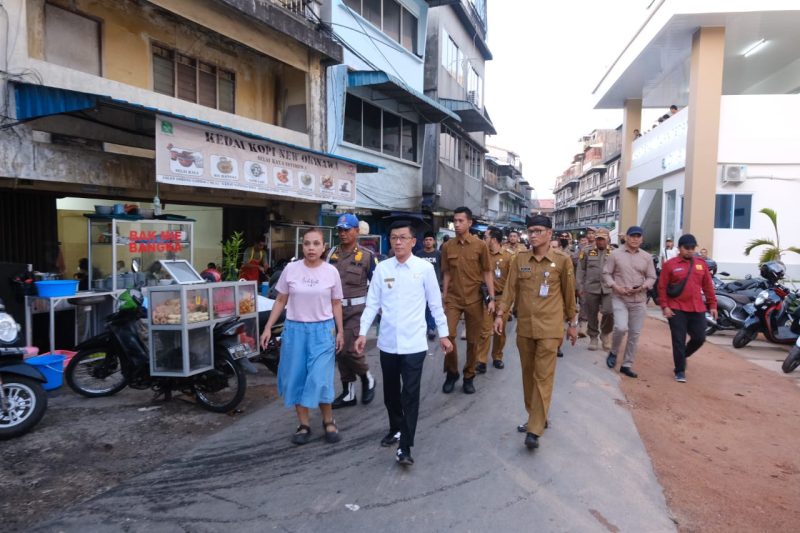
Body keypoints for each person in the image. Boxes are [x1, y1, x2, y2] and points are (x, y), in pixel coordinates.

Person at [355, 221, 453, 466]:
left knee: (410, 394)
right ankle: (396, 427)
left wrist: (444, 334)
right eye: (394, 237)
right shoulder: (382, 269)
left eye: (403, 238)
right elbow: (372, 304)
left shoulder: (423, 269)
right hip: (388, 343)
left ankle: (405, 446)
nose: (398, 242)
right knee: (391, 395)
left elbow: (435, 304)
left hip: (414, 344)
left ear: (413, 242)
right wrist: (361, 333)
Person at [494, 214, 577, 450]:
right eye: (530, 231)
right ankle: (536, 415)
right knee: (528, 376)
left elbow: (569, 294)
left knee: (543, 376)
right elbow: (510, 290)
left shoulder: (562, 260)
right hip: (525, 328)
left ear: (550, 234)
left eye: (539, 231)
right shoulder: (520, 259)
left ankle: (534, 429)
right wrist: (500, 314)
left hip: (550, 329)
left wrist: (572, 323)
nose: (533, 235)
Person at [259, 227, 344, 445]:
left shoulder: (331, 272)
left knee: (320, 378)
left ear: (323, 246)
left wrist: (340, 331)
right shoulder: (291, 269)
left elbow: (336, 303)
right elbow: (280, 300)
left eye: (316, 243)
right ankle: (303, 424)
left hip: (323, 331)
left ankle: (328, 420)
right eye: (307, 243)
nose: (311, 248)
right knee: (296, 377)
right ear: (302, 246)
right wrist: (268, 327)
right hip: (295, 330)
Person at [441, 206, 494, 394]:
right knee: (448, 336)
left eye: (460, 221)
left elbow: (487, 272)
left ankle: (469, 375)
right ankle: (452, 372)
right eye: (454, 221)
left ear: (469, 223)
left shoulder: (480, 246)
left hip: (474, 299)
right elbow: (446, 273)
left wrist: (492, 299)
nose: (456, 224)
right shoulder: (448, 246)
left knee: (473, 340)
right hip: (454, 299)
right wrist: (444, 296)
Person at [326, 213, 377, 408]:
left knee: (350, 349)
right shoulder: (331, 254)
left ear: (356, 231)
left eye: (347, 229)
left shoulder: (367, 256)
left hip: (357, 312)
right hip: (333, 311)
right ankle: (348, 392)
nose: (343, 233)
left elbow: (376, 284)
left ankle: (367, 377)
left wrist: (375, 311)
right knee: (339, 351)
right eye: (340, 229)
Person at [658, 234, 718, 383]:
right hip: (676, 308)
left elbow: (708, 286)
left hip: (697, 308)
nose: (690, 250)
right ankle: (679, 370)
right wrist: (664, 306)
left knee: (699, 338)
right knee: (678, 339)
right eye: (687, 248)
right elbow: (662, 287)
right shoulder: (670, 264)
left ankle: (682, 355)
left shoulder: (701, 264)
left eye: (692, 248)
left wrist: (713, 305)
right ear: (679, 248)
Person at [602, 226, 657, 378]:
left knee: (635, 334)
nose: (635, 239)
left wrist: (643, 286)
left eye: (638, 236)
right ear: (626, 237)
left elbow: (652, 277)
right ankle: (613, 352)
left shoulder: (646, 257)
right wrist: (615, 287)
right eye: (632, 236)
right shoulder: (615, 254)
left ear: (642, 239)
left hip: (639, 300)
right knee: (620, 327)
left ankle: (627, 364)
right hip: (620, 298)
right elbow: (606, 273)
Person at [476, 226, 512, 373]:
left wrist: (511, 301)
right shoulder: (482, 254)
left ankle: (497, 356)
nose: (484, 239)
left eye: (486, 237)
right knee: (484, 331)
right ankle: (481, 360)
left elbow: (512, 281)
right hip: (486, 298)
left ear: (494, 239)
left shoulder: (509, 257)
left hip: (502, 298)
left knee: (500, 331)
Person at [577, 228, 614, 352]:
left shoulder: (614, 252)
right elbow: (581, 270)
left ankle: (606, 333)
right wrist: (580, 287)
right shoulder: (586, 251)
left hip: (609, 288)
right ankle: (593, 337)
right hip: (591, 288)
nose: (600, 242)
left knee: (609, 312)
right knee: (591, 313)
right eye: (598, 239)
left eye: (602, 239)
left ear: (608, 239)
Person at [415, 231, 443, 340]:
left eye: (430, 240)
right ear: (423, 242)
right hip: (420, 285)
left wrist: (442, 285)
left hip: (434, 286)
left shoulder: (438, 254)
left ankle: (431, 328)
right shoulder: (418, 254)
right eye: (426, 240)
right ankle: (422, 328)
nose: (428, 242)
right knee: (421, 307)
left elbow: (442, 269)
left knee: (432, 308)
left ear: (434, 241)